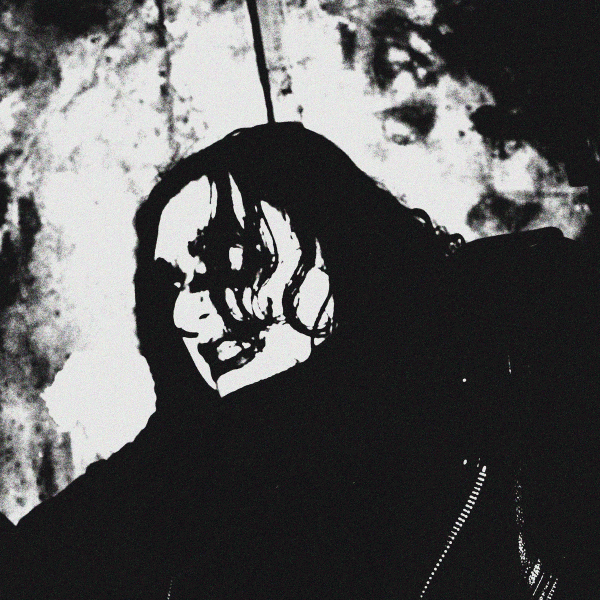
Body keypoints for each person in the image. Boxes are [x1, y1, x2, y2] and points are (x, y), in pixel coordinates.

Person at [0, 122, 598, 599]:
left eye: (228, 254)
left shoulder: (525, 343)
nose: (189, 311)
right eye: (174, 283)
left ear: (340, 235)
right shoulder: (195, 459)